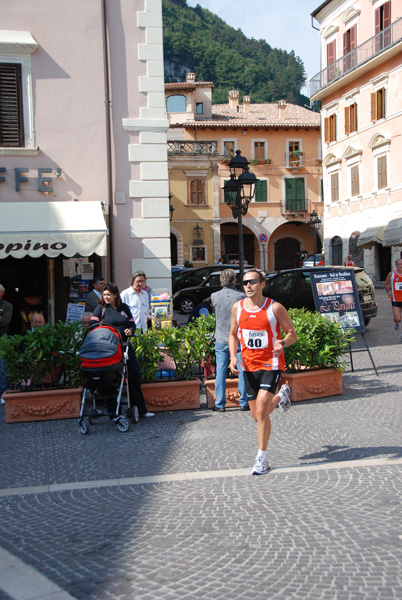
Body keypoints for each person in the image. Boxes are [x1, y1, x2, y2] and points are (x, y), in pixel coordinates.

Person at [229, 269, 297, 475]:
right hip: (248, 367)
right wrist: (233, 356)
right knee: (257, 416)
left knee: (261, 409)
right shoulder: (237, 308)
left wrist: (283, 343)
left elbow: (292, 334)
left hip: (271, 364)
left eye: (252, 282)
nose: (248, 286)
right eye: (244, 283)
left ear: (262, 284)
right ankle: (281, 396)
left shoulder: (274, 308)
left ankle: (262, 458)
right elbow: (232, 334)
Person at [90, 283, 154, 418]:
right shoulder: (100, 308)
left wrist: (130, 330)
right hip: (109, 349)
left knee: (134, 375)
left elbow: (132, 323)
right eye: (104, 294)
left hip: (125, 346)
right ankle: (113, 411)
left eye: (108, 294)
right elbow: (92, 325)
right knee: (111, 378)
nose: (106, 297)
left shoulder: (123, 307)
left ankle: (140, 409)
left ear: (115, 295)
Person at [211, 269, 249, 412]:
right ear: (234, 280)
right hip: (237, 338)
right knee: (241, 370)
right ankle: (243, 401)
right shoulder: (241, 297)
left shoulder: (214, 296)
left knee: (220, 371)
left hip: (221, 337)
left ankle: (220, 403)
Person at [0, 284, 13, 400]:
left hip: (2, 338)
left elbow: (4, 322)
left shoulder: (7, 306)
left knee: (3, 367)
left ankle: (5, 394)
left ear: (2, 293)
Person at [384, 258, 402, 337]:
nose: (400, 266)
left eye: (401, 264)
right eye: (398, 264)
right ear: (395, 265)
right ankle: (396, 323)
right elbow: (386, 284)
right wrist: (389, 291)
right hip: (395, 300)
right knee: (398, 319)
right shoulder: (392, 274)